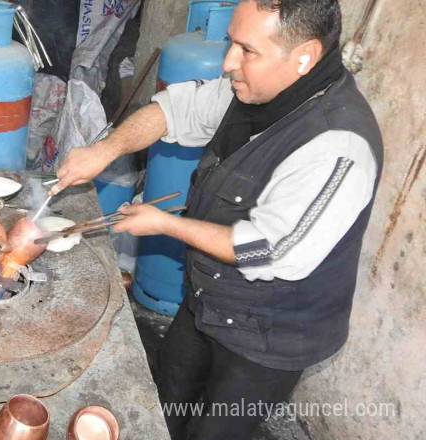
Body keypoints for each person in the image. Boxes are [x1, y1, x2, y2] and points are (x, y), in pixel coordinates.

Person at [53, 1, 382, 438]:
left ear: (304, 56)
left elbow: (270, 249)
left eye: (247, 50)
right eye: (231, 43)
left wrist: (166, 224)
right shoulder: (258, 88)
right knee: (165, 396)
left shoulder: (338, 145)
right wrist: (104, 151)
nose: (229, 63)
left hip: (269, 335)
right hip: (209, 298)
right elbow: (177, 109)